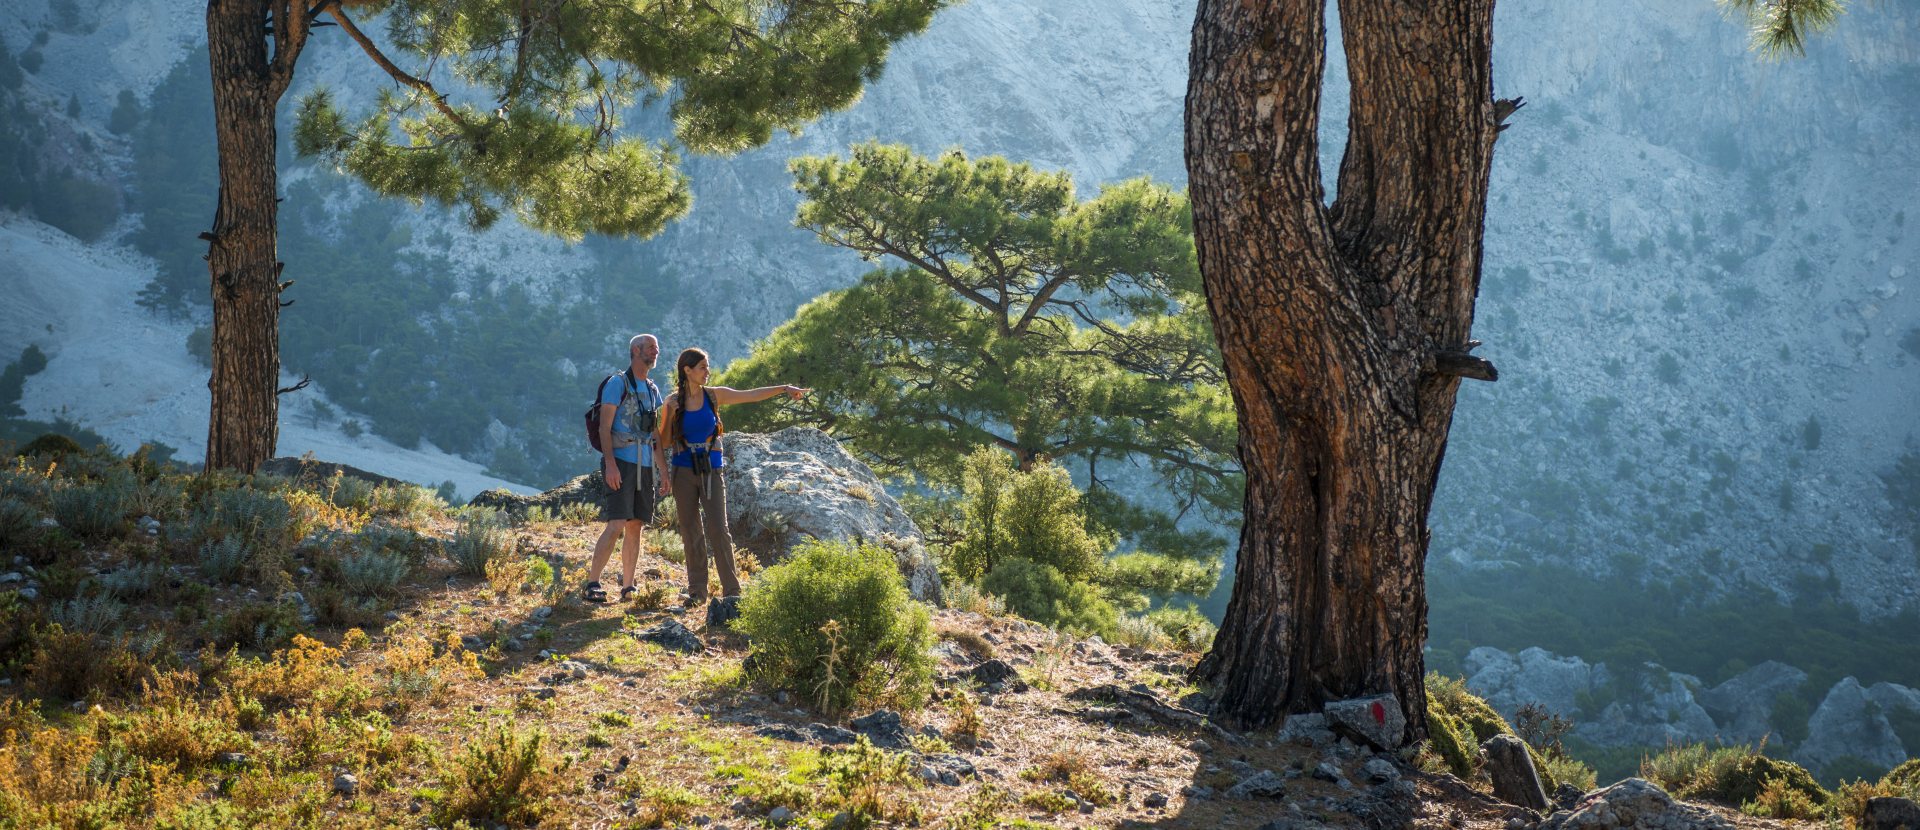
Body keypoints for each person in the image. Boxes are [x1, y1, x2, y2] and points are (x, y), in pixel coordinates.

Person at [655, 347, 808, 604]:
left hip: (712, 469)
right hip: (683, 470)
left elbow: (751, 395)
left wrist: (784, 388)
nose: (707, 371)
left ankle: (732, 591)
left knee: (719, 528)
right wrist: (669, 412)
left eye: (707, 366)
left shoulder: (714, 396)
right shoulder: (672, 401)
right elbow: (664, 441)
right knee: (690, 530)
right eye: (702, 367)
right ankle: (697, 592)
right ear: (687, 370)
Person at [586, 334, 667, 603]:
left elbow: (655, 434)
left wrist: (663, 471)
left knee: (636, 525)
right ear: (635, 350)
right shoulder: (617, 384)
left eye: (657, 348)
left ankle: (628, 586)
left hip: (645, 465)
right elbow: (604, 428)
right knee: (617, 522)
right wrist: (610, 464)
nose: (655, 352)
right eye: (651, 348)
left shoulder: (653, 390)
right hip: (621, 461)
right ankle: (593, 582)